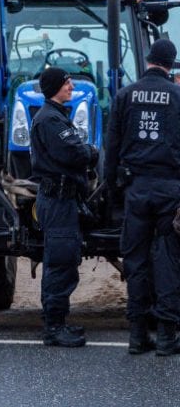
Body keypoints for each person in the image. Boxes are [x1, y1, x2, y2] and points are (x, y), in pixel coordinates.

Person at [105, 38, 180, 356]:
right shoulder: (177, 96)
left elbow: (112, 147)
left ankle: (137, 336)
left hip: (135, 190)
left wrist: (111, 190)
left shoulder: (124, 96)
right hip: (169, 192)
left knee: (135, 263)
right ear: (171, 64)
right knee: (168, 262)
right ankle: (166, 336)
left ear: (149, 60)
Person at [30, 66, 99, 348]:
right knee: (60, 263)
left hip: (63, 199)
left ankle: (58, 322)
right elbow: (75, 153)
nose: (71, 86)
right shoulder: (50, 120)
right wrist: (92, 152)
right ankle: (54, 328)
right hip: (58, 201)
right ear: (55, 87)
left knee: (63, 261)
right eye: (67, 82)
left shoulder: (55, 116)